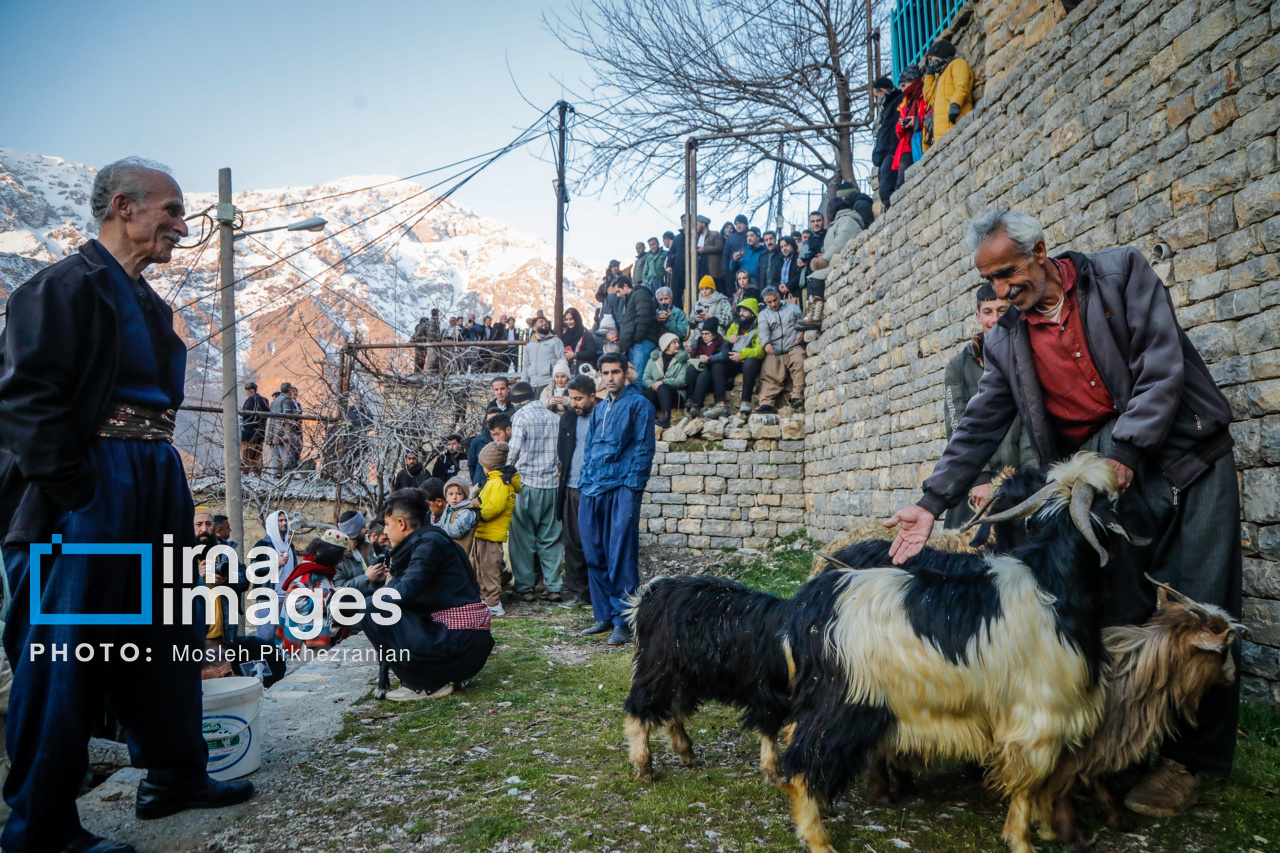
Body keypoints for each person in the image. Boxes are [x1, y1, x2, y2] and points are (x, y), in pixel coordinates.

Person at [884, 210, 1241, 815]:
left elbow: (1162, 367)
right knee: (1120, 608)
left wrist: (1125, 449)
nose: (1001, 290)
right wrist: (929, 501)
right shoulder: (1007, 339)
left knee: (1203, 608)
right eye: (990, 281)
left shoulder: (1121, 275)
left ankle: (1189, 765)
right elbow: (978, 425)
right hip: (1104, 475)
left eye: (1008, 272)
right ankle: (1123, 753)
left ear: (1041, 250)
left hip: (1187, 455)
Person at [0, 157, 253, 853]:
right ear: (124, 207)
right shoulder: (59, 290)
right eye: (171, 210)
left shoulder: (148, 303)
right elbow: (25, 400)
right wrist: (79, 491)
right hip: (90, 492)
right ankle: (39, 826)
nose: (181, 224)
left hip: (152, 482)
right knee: (65, 652)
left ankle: (174, 774)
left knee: (168, 632)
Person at [366, 488, 494, 702]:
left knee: (373, 607)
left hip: (459, 645)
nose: (386, 532)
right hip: (462, 643)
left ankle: (427, 682)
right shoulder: (429, 540)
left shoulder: (429, 545)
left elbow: (406, 591)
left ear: (401, 523)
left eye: (387, 525)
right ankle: (426, 677)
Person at [941, 283, 1037, 529]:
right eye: (988, 311)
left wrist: (1031, 476)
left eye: (1002, 311)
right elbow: (957, 426)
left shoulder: (1027, 359)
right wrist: (979, 478)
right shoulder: (958, 367)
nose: (994, 319)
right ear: (978, 315)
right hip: (973, 477)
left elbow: (1032, 423)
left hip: (1016, 479)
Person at [578, 354, 655, 646]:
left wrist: (632, 488)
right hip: (592, 487)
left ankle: (624, 622)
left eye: (615, 372)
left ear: (625, 374)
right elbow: (589, 447)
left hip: (622, 486)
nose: (610, 378)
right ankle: (605, 616)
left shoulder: (640, 405)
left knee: (620, 553)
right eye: (606, 373)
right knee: (593, 552)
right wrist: (587, 479)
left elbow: (644, 449)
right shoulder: (599, 409)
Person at [506, 381, 565, 603]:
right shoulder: (553, 418)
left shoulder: (521, 417)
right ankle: (554, 587)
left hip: (526, 485)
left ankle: (525, 588)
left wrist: (506, 471)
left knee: (522, 539)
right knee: (551, 538)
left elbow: (514, 450)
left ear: (517, 402)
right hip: (551, 485)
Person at [556, 375, 597, 610]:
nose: (575, 403)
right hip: (570, 487)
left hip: (594, 489)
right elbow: (563, 451)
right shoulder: (569, 417)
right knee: (572, 543)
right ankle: (578, 593)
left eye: (579, 399)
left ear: (592, 396)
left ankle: (598, 592)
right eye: (572, 398)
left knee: (595, 542)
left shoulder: (604, 416)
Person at [798, 196, 865, 332]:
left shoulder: (846, 221)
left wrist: (824, 259)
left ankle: (814, 315)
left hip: (845, 261)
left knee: (816, 277)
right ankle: (811, 313)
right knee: (814, 276)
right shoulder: (841, 221)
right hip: (838, 261)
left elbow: (841, 242)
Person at [472, 440, 521, 617]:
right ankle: (485, 599)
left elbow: (495, 506)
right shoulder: (493, 480)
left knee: (489, 569)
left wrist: (478, 513)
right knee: (481, 568)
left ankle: (494, 603)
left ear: (489, 465)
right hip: (484, 532)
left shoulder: (500, 482)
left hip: (491, 534)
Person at [755, 287, 806, 414]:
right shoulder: (763, 315)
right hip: (775, 350)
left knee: (800, 363)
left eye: (774, 300)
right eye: (769, 302)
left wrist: (802, 331)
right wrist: (766, 344)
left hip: (793, 346)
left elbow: (802, 321)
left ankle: (797, 396)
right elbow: (763, 332)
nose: (773, 304)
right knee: (769, 374)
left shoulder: (793, 308)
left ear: (779, 297)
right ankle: (766, 403)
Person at [923, 39, 974, 146]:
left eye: (931, 59)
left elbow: (962, 85)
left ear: (940, 53)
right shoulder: (939, 76)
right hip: (940, 137)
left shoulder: (958, 63)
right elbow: (929, 98)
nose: (930, 63)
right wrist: (929, 75)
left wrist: (955, 105)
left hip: (956, 123)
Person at [724, 298, 765, 414]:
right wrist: (729, 338)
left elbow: (760, 350)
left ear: (753, 313)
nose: (741, 313)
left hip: (750, 359)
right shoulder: (736, 325)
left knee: (749, 364)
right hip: (734, 359)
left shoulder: (759, 327)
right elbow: (725, 339)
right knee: (718, 365)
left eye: (745, 311)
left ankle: (745, 401)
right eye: (740, 310)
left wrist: (742, 354)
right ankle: (720, 403)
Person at [890, 66, 925, 202]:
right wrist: (903, 123)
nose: (903, 89)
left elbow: (929, 114)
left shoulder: (923, 94)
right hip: (907, 144)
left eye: (904, 85)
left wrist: (916, 120)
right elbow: (898, 130)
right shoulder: (906, 102)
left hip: (920, 138)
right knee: (901, 180)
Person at [333, 510, 388, 596]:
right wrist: (366, 578)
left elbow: (371, 586)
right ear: (353, 531)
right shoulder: (338, 558)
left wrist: (378, 580)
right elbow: (339, 590)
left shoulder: (370, 548)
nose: (367, 529)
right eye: (363, 527)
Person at [871, 76, 905, 208]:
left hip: (893, 150)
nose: (877, 100)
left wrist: (892, 150)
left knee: (886, 186)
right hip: (887, 152)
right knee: (883, 181)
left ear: (883, 90)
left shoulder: (897, 101)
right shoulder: (888, 105)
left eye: (877, 96)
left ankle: (893, 210)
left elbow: (896, 127)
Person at [642, 333, 689, 428]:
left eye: (677, 342)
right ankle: (652, 418)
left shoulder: (681, 361)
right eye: (674, 343)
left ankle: (666, 418)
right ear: (666, 345)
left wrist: (663, 382)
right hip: (658, 393)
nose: (677, 345)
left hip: (676, 394)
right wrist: (654, 385)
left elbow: (681, 381)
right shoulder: (654, 359)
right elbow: (645, 378)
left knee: (662, 387)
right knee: (647, 393)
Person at [617, 275, 661, 373]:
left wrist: (637, 338)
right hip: (637, 345)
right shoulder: (633, 296)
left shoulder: (640, 294)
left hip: (642, 343)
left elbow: (644, 316)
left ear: (625, 286)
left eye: (618, 291)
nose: (618, 295)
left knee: (638, 379)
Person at [685, 319, 727, 419]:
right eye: (703, 333)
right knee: (691, 369)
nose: (704, 336)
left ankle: (696, 404)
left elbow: (724, 355)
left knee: (704, 375)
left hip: (713, 374)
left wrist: (708, 358)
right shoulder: (699, 342)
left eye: (707, 334)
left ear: (714, 334)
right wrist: (699, 357)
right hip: (700, 368)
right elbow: (693, 352)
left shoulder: (721, 342)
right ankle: (690, 398)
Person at [521, 316, 565, 397]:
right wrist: (523, 384)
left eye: (545, 321)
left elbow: (563, 362)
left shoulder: (555, 341)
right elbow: (526, 365)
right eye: (541, 322)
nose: (545, 323)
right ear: (534, 327)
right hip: (533, 386)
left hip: (549, 384)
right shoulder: (529, 345)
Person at [266, 382, 302, 472]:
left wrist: (269, 436)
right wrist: (287, 434)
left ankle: (277, 476)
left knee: (277, 457)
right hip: (283, 433)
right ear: (289, 390)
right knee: (287, 457)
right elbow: (287, 418)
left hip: (274, 432)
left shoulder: (274, 401)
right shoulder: (287, 400)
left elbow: (272, 420)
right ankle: (288, 478)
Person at [439, 476, 479, 553]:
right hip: (449, 551)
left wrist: (439, 529)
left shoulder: (466, 511)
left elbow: (456, 531)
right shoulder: (449, 509)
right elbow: (441, 523)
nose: (454, 497)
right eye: (450, 494)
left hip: (461, 552)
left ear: (465, 496)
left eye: (458, 494)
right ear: (446, 497)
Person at [240, 381, 270, 475]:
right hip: (260, 433)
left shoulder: (250, 400)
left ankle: (245, 476)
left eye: (247, 391)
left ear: (250, 391)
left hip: (249, 433)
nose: (247, 394)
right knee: (257, 457)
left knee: (246, 457)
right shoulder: (265, 400)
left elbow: (244, 414)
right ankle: (258, 477)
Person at [559, 307, 598, 374]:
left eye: (571, 319)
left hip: (582, 371)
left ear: (577, 319)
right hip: (567, 371)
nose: (568, 322)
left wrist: (575, 355)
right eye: (566, 319)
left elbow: (591, 353)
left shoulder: (586, 334)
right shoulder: (565, 335)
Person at [694, 214, 724, 299]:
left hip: (711, 267)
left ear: (703, 224)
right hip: (700, 266)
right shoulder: (696, 237)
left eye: (697, 224)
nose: (696, 227)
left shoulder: (715, 234)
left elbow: (720, 247)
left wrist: (705, 249)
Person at [721, 215, 749, 296]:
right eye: (736, 224)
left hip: (748, 271)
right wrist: (725, 272)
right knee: (733, 296)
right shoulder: (731, 238)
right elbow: (725, 255)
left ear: (745, 224)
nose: (738, 226)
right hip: (733, 272)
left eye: (740, 223)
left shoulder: (750, 235)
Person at [778, 237, 803, 305]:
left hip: (796, 293)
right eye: (782, 247)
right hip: (782, 295)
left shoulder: (799, 257)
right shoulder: (780, 261)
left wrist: (788, 286)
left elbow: (801, 274)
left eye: (786, 245)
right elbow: (775, 277)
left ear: (792, 245)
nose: (784, 249)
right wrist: (779, 286)